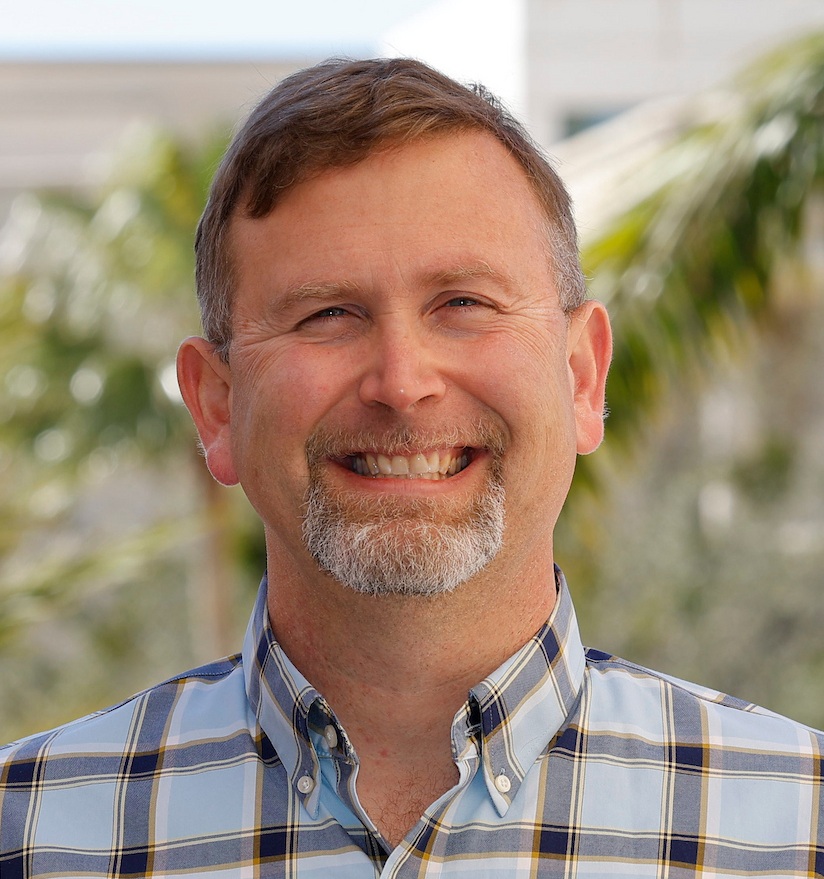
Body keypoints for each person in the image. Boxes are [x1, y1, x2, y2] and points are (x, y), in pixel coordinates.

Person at [0, 57, 822, 879]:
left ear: (581, 376)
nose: (401, 381)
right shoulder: (28, 831)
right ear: (216, 405)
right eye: (328, 313)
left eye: (464, 303)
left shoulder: (799, 823)